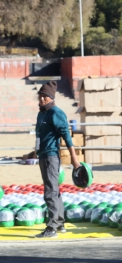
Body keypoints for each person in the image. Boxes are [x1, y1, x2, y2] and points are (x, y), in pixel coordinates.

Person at [35, 81, 80, 238]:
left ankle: (52, 227)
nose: (41, 100)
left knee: (50, 192)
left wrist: (74, 158)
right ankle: (59, 223)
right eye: (40, 96)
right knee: (54, 190)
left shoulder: (56, 113)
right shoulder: (42, 113)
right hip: (43, 155)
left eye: (45, 97)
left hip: (51, 156)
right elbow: (40, 136)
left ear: (51, 98)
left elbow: (66, 136)